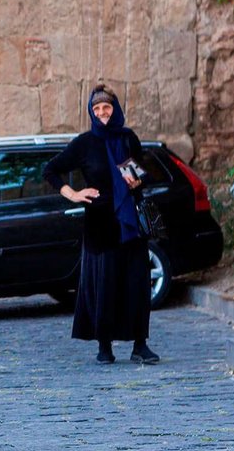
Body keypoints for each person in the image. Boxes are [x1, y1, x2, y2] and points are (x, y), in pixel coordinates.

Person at [44, 85, 159, 365]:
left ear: (115, 109)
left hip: (130, 224)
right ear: (91, 112)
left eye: (106, 107)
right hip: (100, 225)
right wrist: (73, 194)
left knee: (136, 285)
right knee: (105, 286)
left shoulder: (127, 138)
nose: (102, 112)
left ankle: (140, 345)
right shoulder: (84, 143)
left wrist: (137, 180)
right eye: (96, 109)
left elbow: (142, 174)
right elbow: (51, 170)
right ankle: (104, 347)